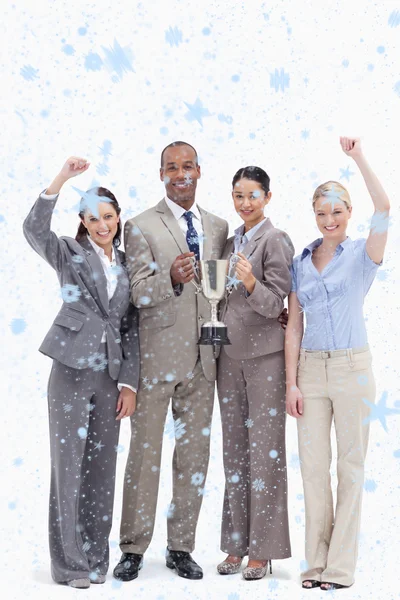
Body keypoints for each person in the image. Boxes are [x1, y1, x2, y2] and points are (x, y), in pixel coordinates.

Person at [113, 141, 229, 582]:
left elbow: (220, 288)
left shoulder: (218, 226)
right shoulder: (141, 226)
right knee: (145, 458)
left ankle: (181, 546)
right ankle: (133, 548)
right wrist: (171, 278)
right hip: (156, 362)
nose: (180, 174)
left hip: (204, 359)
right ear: (161, 172)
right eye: (171, 167)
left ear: (199, 170)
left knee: (194, 456)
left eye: (187, 166)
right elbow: (138, 292)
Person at [23, 157, 140, 589]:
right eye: (93, 218)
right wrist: (61, 180)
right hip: (71, 369)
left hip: (110, 377)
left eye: (108, 217)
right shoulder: (68, 253)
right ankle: (69, 564)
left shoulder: (128, 265)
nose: (102, 225)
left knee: (101, 468)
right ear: (83, 221)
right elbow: (33, 230)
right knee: (68, 467)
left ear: (117, 219)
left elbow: (131, 327)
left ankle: (94, 557)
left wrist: (129, 383)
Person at [285, 137, 390, 591]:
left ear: (348, 214)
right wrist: (291, 383)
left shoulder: (362, 257)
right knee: (313, 469)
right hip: (310, 371)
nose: (330, 220)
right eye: (322, 213)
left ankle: (341, 570)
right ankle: (315, 564)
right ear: (315, 216)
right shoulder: (301, 262)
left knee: (350, 467)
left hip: (352, 369)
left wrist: (358, 158)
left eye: (338, 212)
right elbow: (293, 326)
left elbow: (385, 207)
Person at [215, 166, 294, 580]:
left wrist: (248, 282)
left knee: (265, 452)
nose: (245, 203)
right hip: (227, 358)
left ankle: (263, 550)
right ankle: (235, 543)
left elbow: (276, 304)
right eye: (238, 195)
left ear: (267, 196)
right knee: (233, 452)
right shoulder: (229, 242)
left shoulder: (275, 239)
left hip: (265, 358)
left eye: (252, 195)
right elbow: (218, 300)